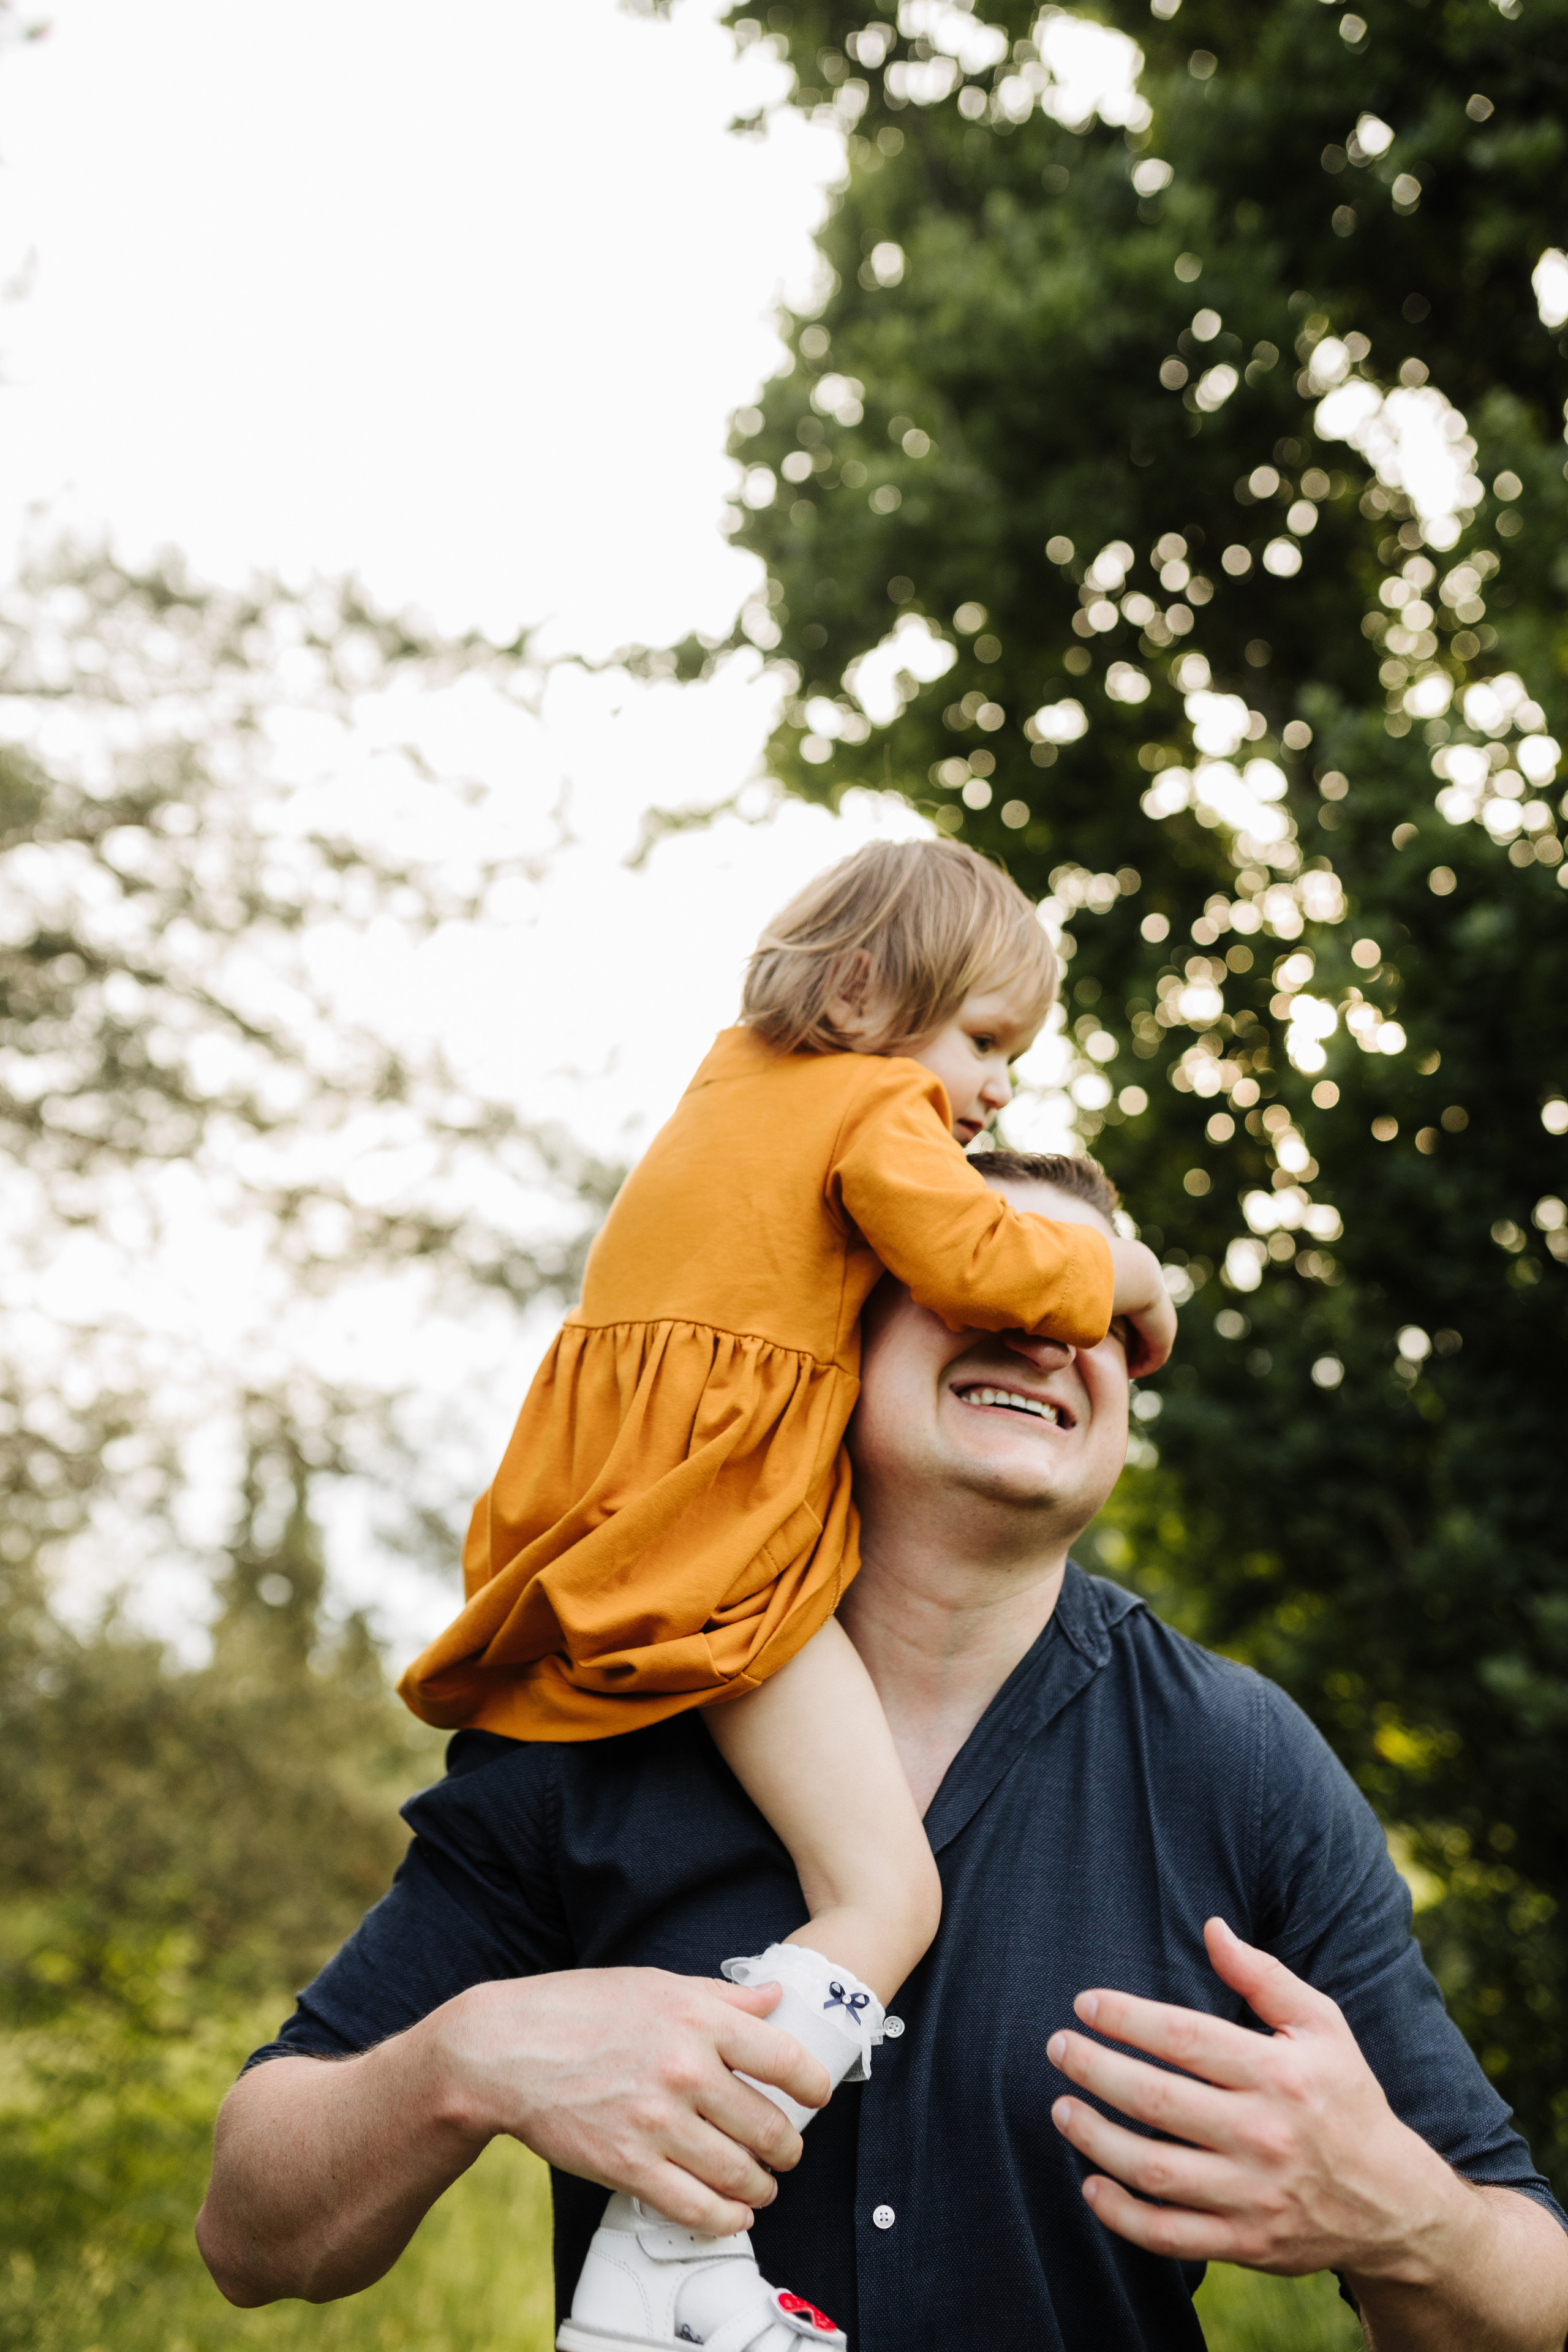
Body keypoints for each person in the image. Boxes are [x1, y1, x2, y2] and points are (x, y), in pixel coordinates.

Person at [198, 1152, 1568, 2352]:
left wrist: (1410, 2222)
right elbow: (252, 2236)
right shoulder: (599, 1708)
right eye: (993, 1275)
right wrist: (470, 2055)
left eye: (1092, 1310)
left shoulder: (1242, 1762)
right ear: (834, 1330)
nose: (1048, 1331)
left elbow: (1533, 2297)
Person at [391, 840, 1175, 2339]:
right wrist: (1130, 1281)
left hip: (617, 1516)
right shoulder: (874, 1107)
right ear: (869, 993)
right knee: (884, 1894)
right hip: (718, 1544)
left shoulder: (727, 1086)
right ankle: (667, 2258)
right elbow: (984, 1260)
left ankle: (667, 2265)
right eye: (985, 1041)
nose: (995, 1088)